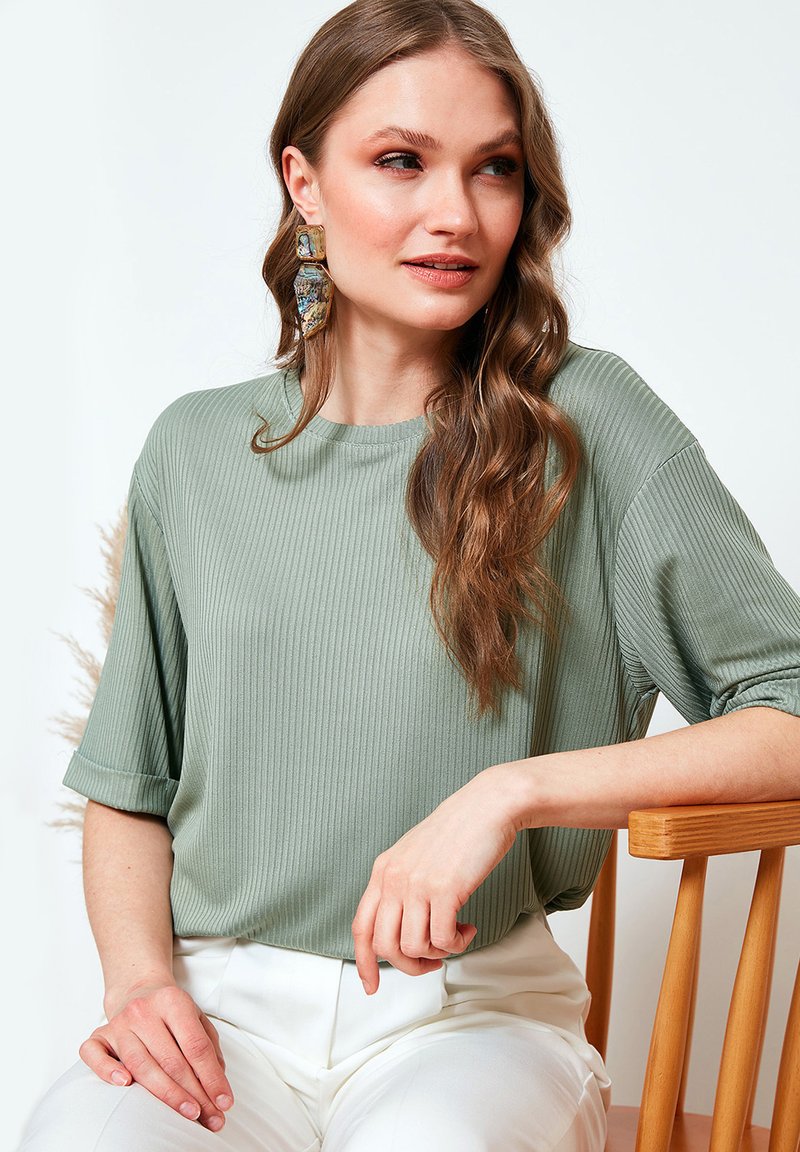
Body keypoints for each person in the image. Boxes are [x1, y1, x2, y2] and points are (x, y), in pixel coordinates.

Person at [17, 0, 800, 1149]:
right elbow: (129, 784)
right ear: (304, 182)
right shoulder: (194, 452)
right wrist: (140, 984)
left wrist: (509, 793)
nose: (456, 214)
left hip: (469, 1021)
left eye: (494, 169)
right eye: (400, 161)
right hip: (220, 1020)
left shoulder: (587, 424)